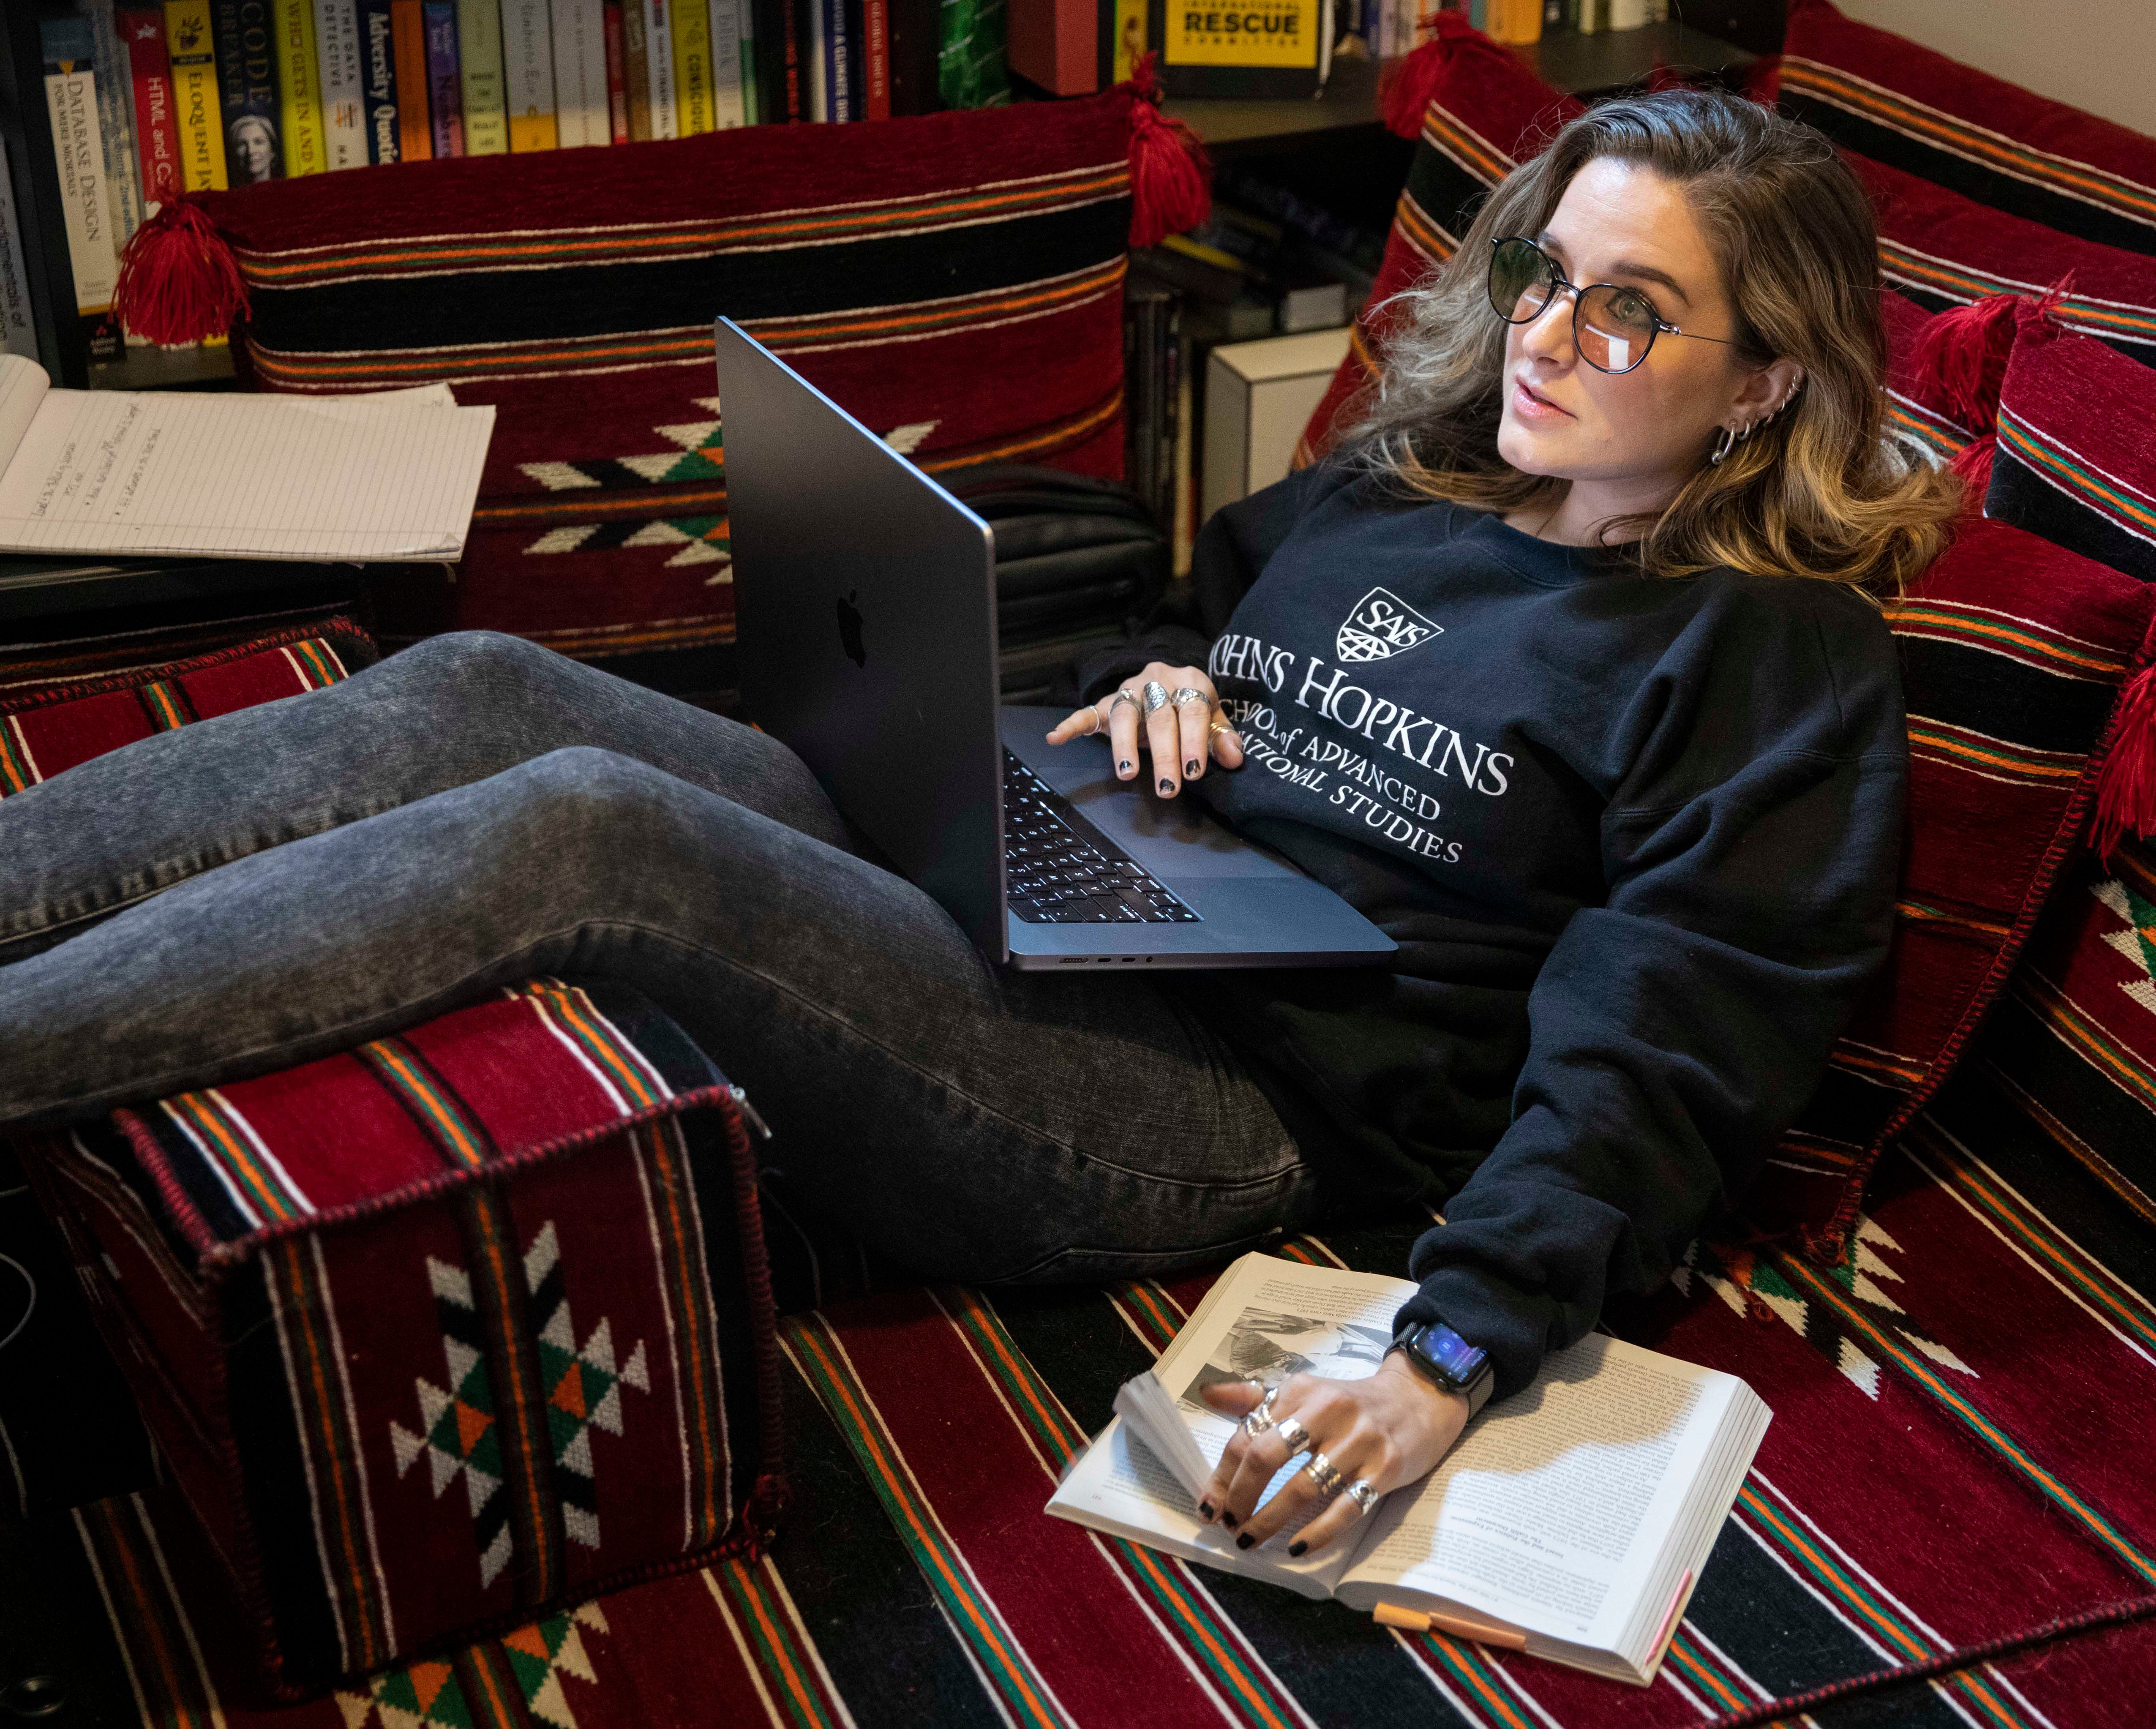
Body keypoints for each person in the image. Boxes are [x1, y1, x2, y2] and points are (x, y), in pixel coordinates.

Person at [0, 89, 1951, 1562]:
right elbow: (1222, 617)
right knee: (482, 687)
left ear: (1763, 383)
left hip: (1221, 1100)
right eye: (1547, 272)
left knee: (593, 828)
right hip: (1095, 884)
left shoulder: (1764, 655)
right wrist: (1170, 680)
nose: (1545, 331)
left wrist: (1447, 1354)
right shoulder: (1422, 483)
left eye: (1631, 314)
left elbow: (1673, 1026)